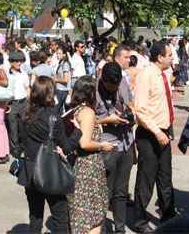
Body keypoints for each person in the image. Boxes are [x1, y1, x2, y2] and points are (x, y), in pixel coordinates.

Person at [18, 76, 82, 234]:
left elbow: (19, 141)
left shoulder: (24, 114)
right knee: (60, 216)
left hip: (30, 169)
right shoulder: (53, 117)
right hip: (49, 170)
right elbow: (66, 147)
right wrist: (78, 132)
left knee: (35, 215)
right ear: (50, 93)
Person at [133, 41, 177, 233]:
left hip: (163, 132)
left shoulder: (164, 74)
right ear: (159, 57)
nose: (172, 58)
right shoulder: (146, 75)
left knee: (165, 177)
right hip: (149, 134)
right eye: (169, 55)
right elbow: (140, 111)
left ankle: (168, 214)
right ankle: (140, 220)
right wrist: (157, 132)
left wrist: (166, 130)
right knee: (146, 179)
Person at [68, 76, 113, 234]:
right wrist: (102, 145)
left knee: (81, 214)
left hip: (78, 166)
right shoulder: (87, 112)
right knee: (93, 216)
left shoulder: (76, 109)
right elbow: (85, 143)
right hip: (89, 167)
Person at [95, 63, 135, 234]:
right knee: (105, 192)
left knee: (121, 191)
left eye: (116, 85)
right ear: (103, 80)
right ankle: (101, 229)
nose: (114, 89)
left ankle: (120, 229)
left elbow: (131, 103)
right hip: (107, 145)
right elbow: (85, 118)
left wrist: (129, 112)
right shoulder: (93, 90)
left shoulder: (122, 83)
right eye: (110, 86)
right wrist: (107, 120)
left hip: (126, 142)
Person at [8, 50, 29, 157]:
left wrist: (29, 102)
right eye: (16, 61)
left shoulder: (24, 74)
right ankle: (15, 149)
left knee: (23, 126)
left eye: (21, 61)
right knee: (13, 127)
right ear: (11, 62)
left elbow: (27, 88)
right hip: (11, 103)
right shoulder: (7, 74)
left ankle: (22, 146)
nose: (19, 63)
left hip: (23, 102)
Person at [55, 44, 72, 113]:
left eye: (59, 53)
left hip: (62, 90)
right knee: (60, 110)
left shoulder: (65, 64)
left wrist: (55, 79)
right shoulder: (61, 63)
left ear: (64, 54)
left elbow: (66, 79)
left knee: (57, 110)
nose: (57, 55)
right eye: (57, 53)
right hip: (60, 90)